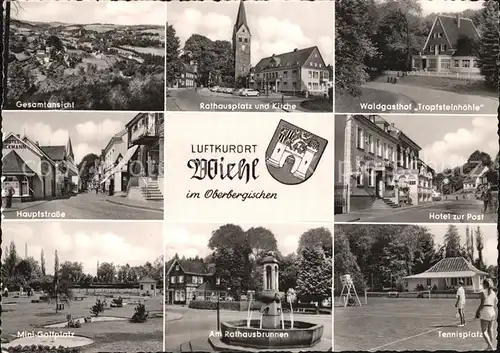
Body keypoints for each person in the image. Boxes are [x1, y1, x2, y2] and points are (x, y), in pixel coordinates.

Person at [475, 278, 497, 351]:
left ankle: (490, 346)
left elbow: (482, 304)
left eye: (482, 284)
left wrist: (477, 312)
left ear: (484, 284)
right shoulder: (493, 292)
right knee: (490, 330)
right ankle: (489, 346)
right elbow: (496, 302)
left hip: (486, 310)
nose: (482, 285)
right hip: (492, 311)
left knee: (484, 331)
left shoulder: (483, 292)